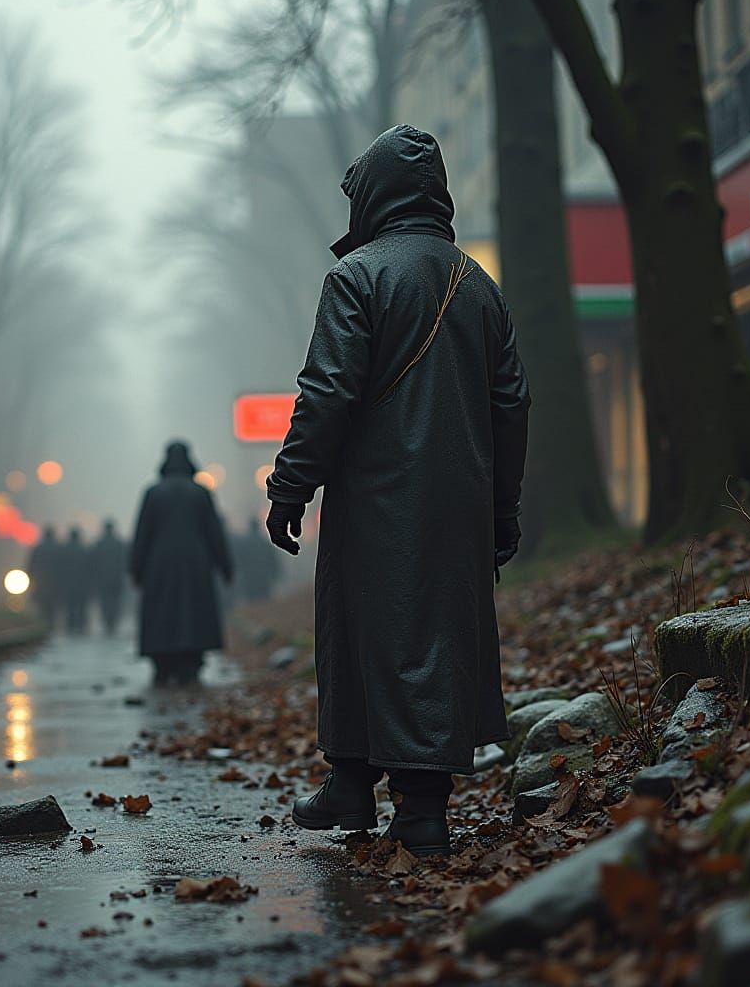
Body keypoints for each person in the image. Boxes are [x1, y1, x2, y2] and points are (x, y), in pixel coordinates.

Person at [265, 126, 530, 857]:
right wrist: (502, 508)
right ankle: (412, 803)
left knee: (358, 632)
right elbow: (512, 405)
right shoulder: (479, 285)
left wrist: (291, 489)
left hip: (374, 502)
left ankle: (365, 789)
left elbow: (326, 394)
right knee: (437, 640)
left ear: (374, 194)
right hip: (459, 503)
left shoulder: (357, 278)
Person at [131, 441, 233, 686]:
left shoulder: (153, 493)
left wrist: (137, 568)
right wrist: (225, 566)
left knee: (162, 612)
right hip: (195, 562)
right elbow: (214, 532)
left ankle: (163, 662)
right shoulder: (201, 492)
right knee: (193, 611)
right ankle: (191, 661)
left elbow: (143, 533)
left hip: (160, 563)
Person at [92, 519, 127, 636]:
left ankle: (107, 620)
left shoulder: (99, 544)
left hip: (102, 579)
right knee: (116, 601)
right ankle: (113, 621)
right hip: (116, 578)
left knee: (105, 601)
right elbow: (124, 561)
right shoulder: (119, 544)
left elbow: (94, 563)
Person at [234, 516, 281, 603]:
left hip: (249, 578)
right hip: (263, 577)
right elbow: (273, 560)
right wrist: (275, 574)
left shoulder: (244, 544)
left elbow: (239, 561)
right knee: (264, 601)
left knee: (252, 601)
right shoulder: (265, 543)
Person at [26, 526, 62, 627]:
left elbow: (31, 566)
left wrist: (31, 580)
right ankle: (51, 625)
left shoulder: (38, 548)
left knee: (42, 607)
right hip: (55, 583)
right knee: (52, 608)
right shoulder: (58, 548)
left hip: (40, 583)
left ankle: (43, 625)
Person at [59, 527, 90, 634]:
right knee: (81, 606)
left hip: (68, 583)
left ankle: (70, 625)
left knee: (70, 605)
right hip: (82, 583)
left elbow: (60, 568)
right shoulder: (84, 550)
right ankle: (81, 625)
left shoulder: (64, 550)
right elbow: (90, 568)